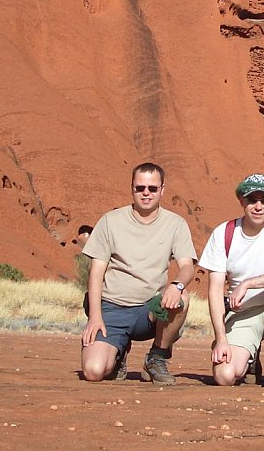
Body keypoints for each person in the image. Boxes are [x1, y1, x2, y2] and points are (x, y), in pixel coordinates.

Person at [80, 162, 197, 385]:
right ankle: (119, 351)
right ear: (132, 188)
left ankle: (157, 357)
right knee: (94, 372)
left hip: (149, 310)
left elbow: (187, 267)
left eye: (152, 188)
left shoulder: (175, 224)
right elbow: (96, 273)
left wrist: (177, 285)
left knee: (181, 297)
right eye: (140, 188)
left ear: (162, 189)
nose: (146, 193)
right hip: (112, 309)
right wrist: (95, 317)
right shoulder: (110, 221)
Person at [198, 173, 264, 387]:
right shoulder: (224, 233)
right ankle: (249, 355)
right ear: (242, 201)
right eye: (252, 200)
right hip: (244, 314)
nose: (258, 206)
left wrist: (248, 283)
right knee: (225, 376)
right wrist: (221, 339)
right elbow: (214, 291)